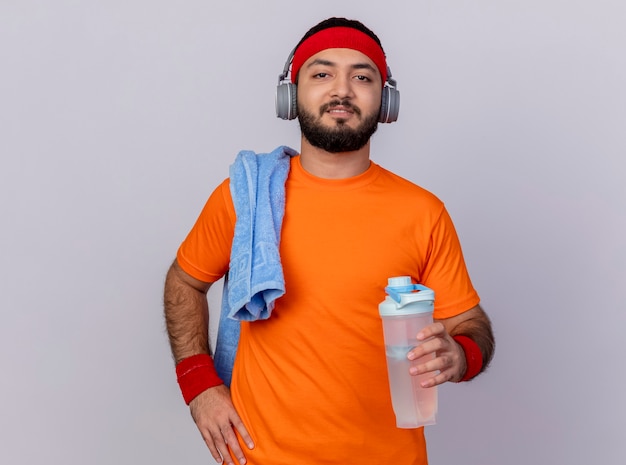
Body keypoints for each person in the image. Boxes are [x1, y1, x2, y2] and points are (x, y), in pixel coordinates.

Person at [164, 17, 495, 465]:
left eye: (362, 76)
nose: (342, 90)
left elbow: (470, 323)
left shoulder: (423, 212)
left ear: (386, 101)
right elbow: (185, 282)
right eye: (322, 74)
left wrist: (460, 354)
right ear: (291, 94)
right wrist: (199, 385)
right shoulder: (247, 198)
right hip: (262, 457)